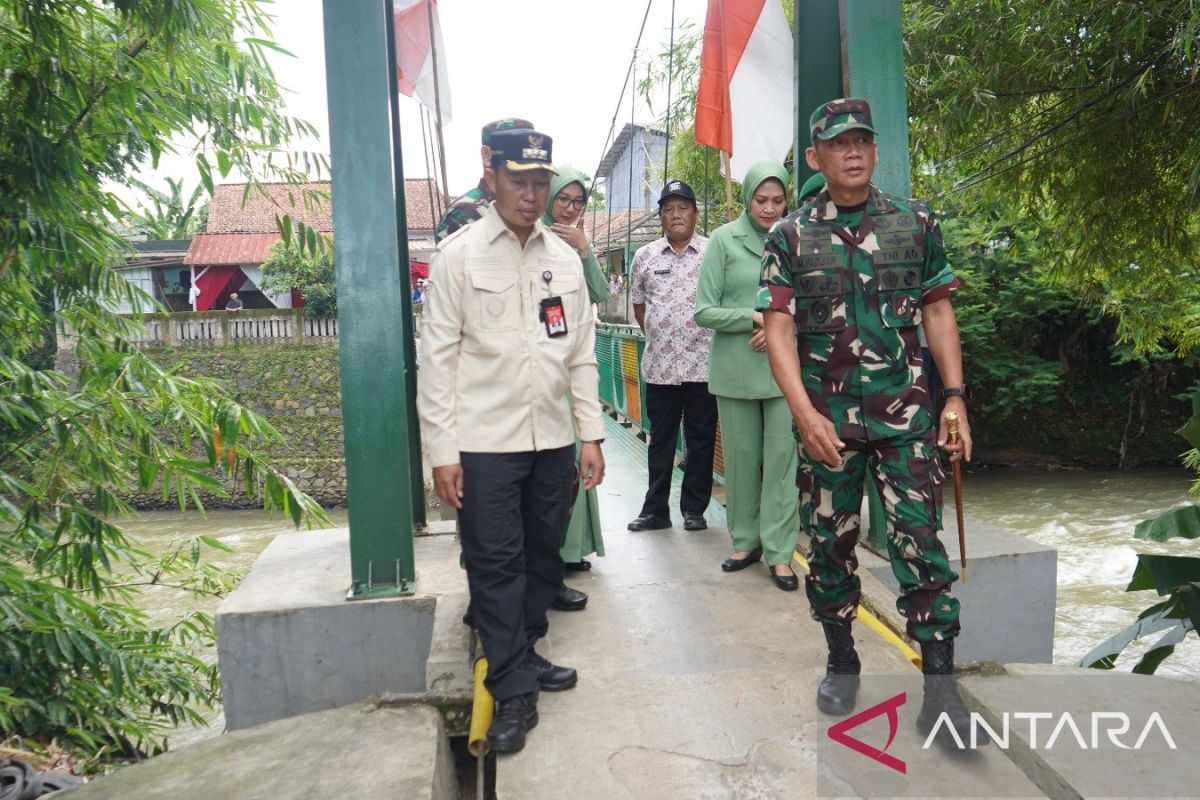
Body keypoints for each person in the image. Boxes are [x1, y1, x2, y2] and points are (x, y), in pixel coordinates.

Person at [758, 98, 975, 740]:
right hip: (829, 426)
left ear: (875, 151)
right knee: (829, 546)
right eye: (838, 143)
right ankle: (841, 658)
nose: (853, 152)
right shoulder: (790, 235)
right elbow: (776, 328)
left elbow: (937, 311)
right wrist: (803, 416)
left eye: (863, 141)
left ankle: (941, 686)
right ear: (815, 157)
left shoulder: (915, 223)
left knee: (920, 542)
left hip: (907, 417)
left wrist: (956, 396)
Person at [418, 129, 606, 754]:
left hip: (553, 440)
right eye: (519, 180)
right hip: (484, 445)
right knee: (496, 566)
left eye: (540, 182)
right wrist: (442, 453)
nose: (531, 194)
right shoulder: (458, 257)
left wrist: (592, 434)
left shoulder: (566, 259)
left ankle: (521, 655)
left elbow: (580, 355)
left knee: (544, 557)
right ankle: (512, 688)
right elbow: (437, 362)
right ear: (492, 175)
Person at [694, 161, 800, 591]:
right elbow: (704, 309)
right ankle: (744, 541)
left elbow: (812, 300)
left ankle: (780, 553)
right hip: (736, 369)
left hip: (783, 371)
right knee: (740, 463)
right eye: (761, 200)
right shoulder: (722, 240)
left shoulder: (797, 237)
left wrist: (780, 326)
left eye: (777, 200)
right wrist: (752, 318)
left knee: (781, 464)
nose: (770, 208)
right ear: (747, 198)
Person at [627, 180, 716, 533]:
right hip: (660, 366)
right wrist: (662, 333)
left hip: (704, 365)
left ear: (695, 214)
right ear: (661, 216)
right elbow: (639, 307)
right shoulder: (644, 256)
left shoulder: (714, 252)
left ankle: (694, 510)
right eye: (668, 209)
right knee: (660, 441)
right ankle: (655, 511)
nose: (676, 214)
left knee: (700, 440)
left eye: (683, 208)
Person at [541, 167, 609, 598]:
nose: (569, 208)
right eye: (563, 199)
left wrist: (585, 250)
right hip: (547, 364)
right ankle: (551, 555)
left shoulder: (578, 243)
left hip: (576, 363)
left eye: (577, 201)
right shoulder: (535, 239)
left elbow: (600, 293)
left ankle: (572, 549)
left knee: (580, 454)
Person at [434, 117, 534, 243]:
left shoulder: (526, 208)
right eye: (512, 150)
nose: (522, 162)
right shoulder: (467, 212)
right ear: (486, 154)